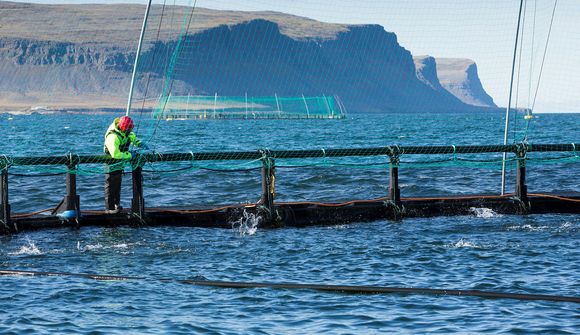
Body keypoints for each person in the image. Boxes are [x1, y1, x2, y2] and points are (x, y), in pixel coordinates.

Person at [103, 116, 143, 214]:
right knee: (110, 184)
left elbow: (132, 137)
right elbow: (115, 154)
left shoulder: (127, 133)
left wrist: (139, 143)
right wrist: (130, 155)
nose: (130, 131)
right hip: (111, 161)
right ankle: (109, 208)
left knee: (118, 183)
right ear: (123, 128)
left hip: (121, 160)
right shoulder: (113, 137)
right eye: (128, 129)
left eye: (131, 129)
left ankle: (117, 205)